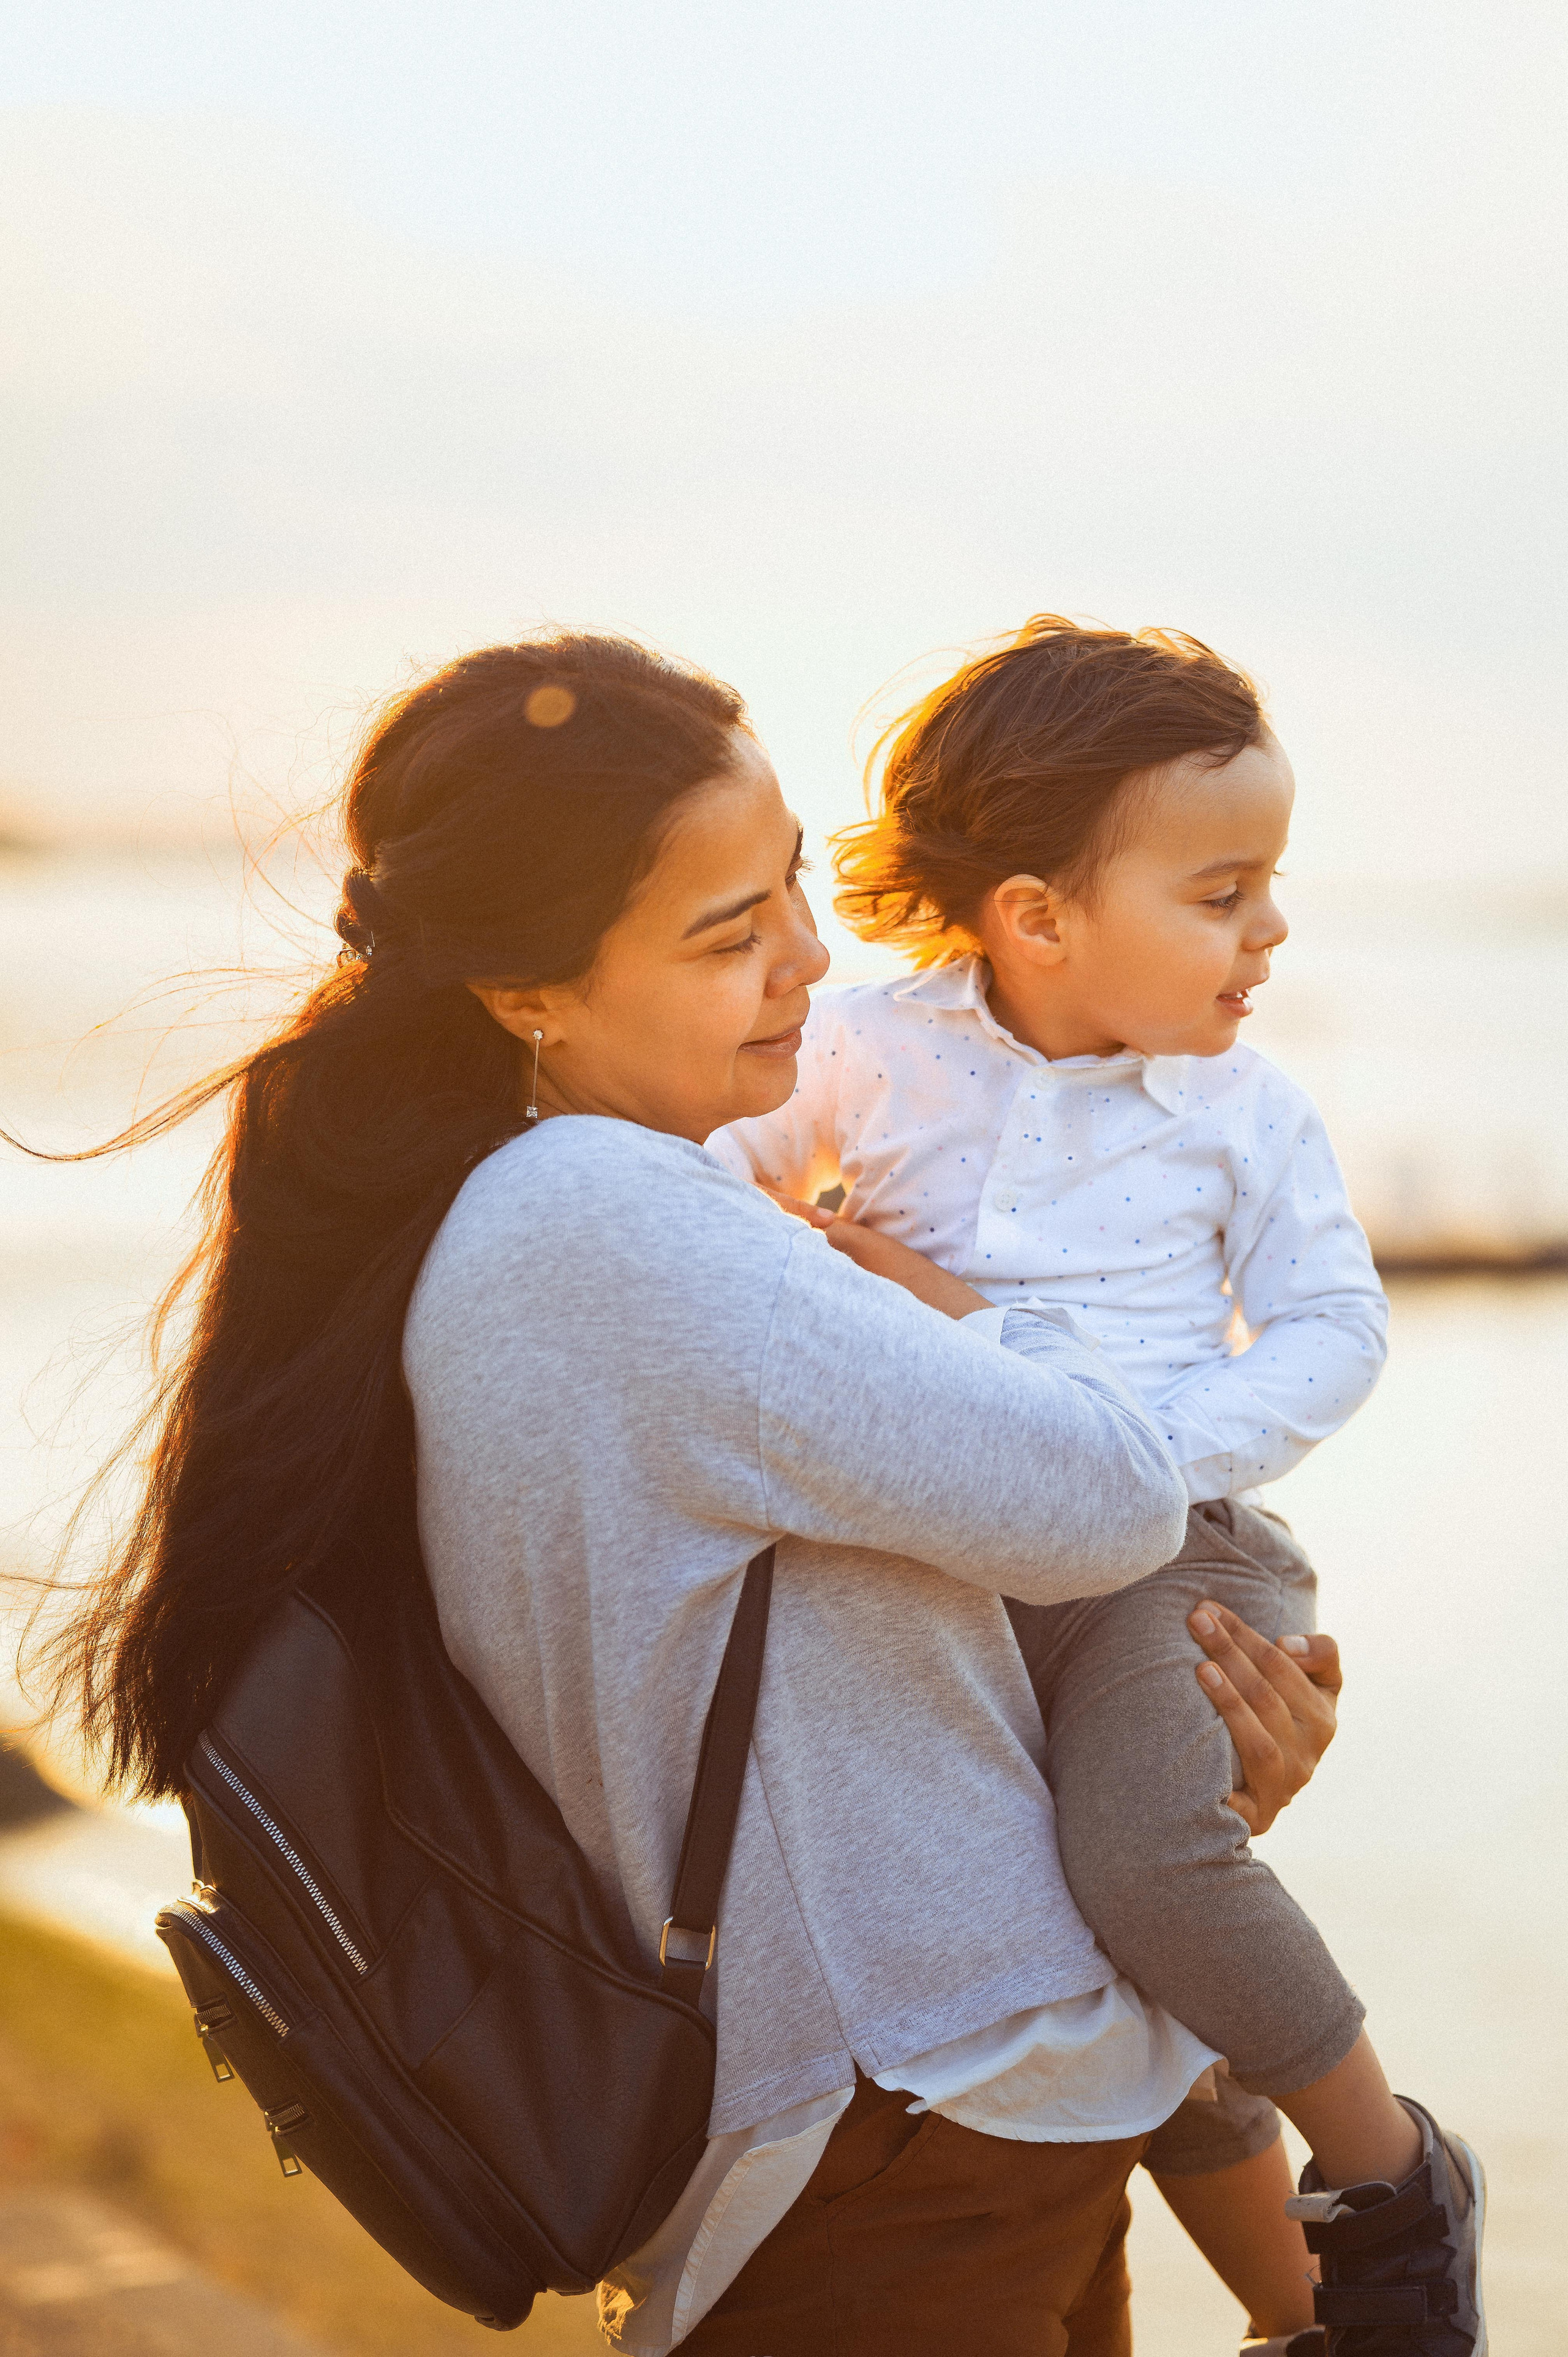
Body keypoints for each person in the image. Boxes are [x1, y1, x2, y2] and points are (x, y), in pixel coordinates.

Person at [32, 632, 1338, 2357]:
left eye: (792, 880)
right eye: (729, 934)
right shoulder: (611, 1223)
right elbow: (1107, 1500)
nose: (812, 956)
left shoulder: (537, 1211)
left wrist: (1164, 1794)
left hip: (938, 2113)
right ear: (529, 996)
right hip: (895, 2132)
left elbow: (820, 1678)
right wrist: (1005, 1318)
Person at [710, 615, 1487, 2357]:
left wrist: (1146, 1457)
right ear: (1038, 915)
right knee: (1081, 1935)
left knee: (1143, 1853)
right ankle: (1303, 2321)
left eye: (1270, 884)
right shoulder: (867, 1052)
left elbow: (1329, 1331)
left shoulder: (1244, 1109)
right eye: (1221, 894)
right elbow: (704, 1200)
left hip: (1177, 1557)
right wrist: (861, 1290)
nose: (1270, 930)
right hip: (958, 1567)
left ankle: (1390, 2191)